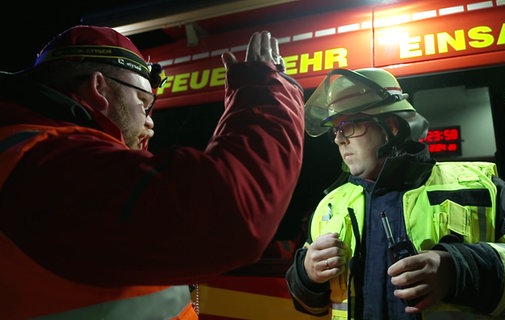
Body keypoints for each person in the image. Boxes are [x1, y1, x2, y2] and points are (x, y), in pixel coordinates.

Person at [0, 25, 305, 319]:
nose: (150, 123)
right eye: (143, 104)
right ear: (98, 89)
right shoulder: (51, 163)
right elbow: (231, 213)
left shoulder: (30, 154)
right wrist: (265, 93)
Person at [285, 67, 505, 319]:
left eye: (350, 125)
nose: (338, 138)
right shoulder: (331, 205)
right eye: (335, 129)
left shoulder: (479, 187)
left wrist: (457, 270)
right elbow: (311, 306)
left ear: (391, 128)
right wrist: (307, 275)